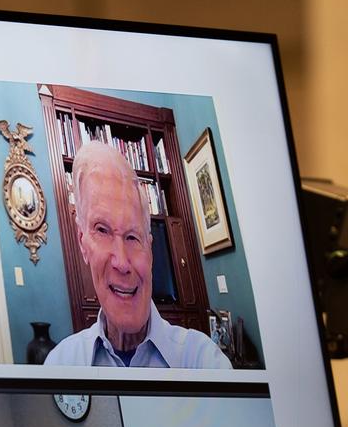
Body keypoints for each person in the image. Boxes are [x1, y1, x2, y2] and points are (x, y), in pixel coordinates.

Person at [43, 142, 231, 369]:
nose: (122, 263)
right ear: (82, 242)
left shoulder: (203, 362)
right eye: (102, 230)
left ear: (150, 251)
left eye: (132, 237)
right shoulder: (60, 366)